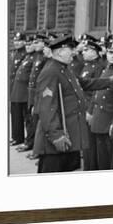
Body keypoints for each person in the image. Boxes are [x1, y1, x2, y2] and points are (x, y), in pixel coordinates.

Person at [33, 35, 88, 173]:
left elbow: (82, 84)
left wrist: (109, 81)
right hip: (57, 141)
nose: (75, 52)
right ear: (59, 52)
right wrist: (56, 135)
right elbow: (46, 108)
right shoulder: (51, 71)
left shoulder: (64, 68)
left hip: (69, 136)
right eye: (71, 49)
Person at [87, 41, 113, 170]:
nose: (112, 56)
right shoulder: (106, 68)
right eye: (110, 52)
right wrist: (90, 110)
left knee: (108, 155)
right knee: (98, 153)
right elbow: (97, 92)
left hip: (110, 116)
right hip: (98, 115)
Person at [77, 38, 106, 170]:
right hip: (83, 104)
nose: (83, 52)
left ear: (95, 52)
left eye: (86, 50)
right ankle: (87, 166)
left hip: (91, 106)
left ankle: (91, 168)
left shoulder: (99, 67)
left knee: (91, 141)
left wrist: (91, 110)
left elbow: (97, 90)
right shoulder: (87, 65)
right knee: (85, 140)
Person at [19, 32, 48, 153]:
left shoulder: (45, 57)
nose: (34, 44)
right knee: (30, 119)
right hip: (31, 92)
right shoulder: (37, 55)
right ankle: (30, 143)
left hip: (38, 92)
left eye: (37, 42)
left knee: (36, 121)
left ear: (44, 43)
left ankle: (37, 148)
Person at [10, 35, 35, 146]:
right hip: (16, 90)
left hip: (25, 91)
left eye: (19, 40)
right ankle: (17, 137)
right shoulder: (17, 54)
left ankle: (28, 140)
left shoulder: (28, 55)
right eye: (15, 40)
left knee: (27, 117)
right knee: (16, 116)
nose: (16, 42)